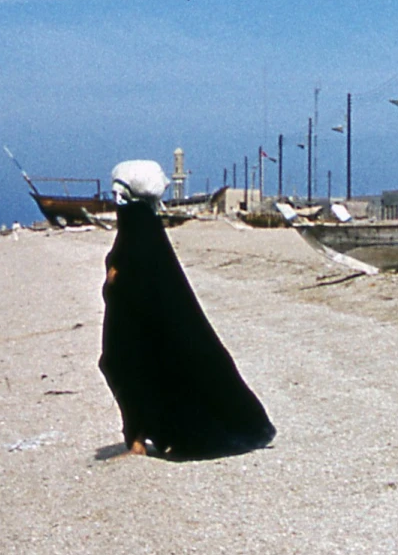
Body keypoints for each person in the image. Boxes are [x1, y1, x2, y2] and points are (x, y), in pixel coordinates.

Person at [98, 159, 274, 459]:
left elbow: (134, 275)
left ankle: (139, 439)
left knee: (129, 365)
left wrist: (115, 279)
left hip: (137, 321)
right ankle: (139, 437)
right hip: (134, 318)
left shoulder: (139, 226)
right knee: (124, 365)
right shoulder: (145, 226)